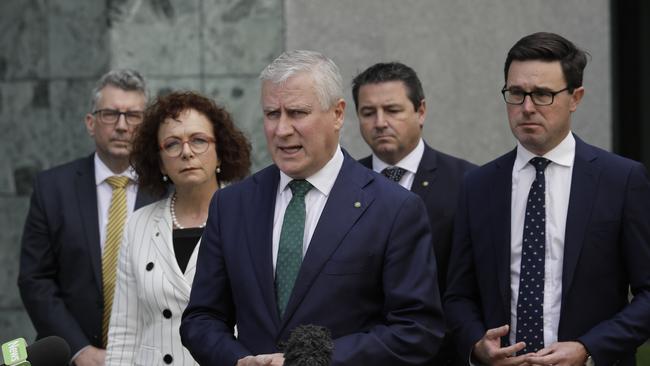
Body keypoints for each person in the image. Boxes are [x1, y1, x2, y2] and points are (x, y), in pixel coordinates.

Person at [180, 50, 444, 366]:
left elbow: (416, 329)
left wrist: (314, 361)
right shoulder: (232, 204)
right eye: (271, 114)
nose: (281, 130)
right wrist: (239, 361)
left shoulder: (394, 208)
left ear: (337, 114)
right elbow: (202, 318)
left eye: (297, 113)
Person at [444, 32, 650, 366]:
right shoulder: (478, 185)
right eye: (516, 93)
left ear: (576, 97)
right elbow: (458, 294)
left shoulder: (621, 180)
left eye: (542, 95)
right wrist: (477, 344)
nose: (527, 108)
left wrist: (589, 348)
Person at [18, 69, 156, 366]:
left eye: (133, 116)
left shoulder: (167, 190)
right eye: (110, 114)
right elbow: (35, 280)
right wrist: (79, 350)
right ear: (91, 123)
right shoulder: (52, 188)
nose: (121, 126)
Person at [105, 91, 251, 365]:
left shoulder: (248, 218)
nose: (186, 152)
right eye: (172, 144)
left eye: (198, 140)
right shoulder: (139, 223)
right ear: (159, 162)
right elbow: (124, 329)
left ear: (220, 154)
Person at [353, 62, 476, 365]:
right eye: (368, 113)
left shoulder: (466, 183)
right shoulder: (344, 183)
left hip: (441, 355)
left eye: (392, 110)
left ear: (421, 111)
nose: (380, 122)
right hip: (357, 354)